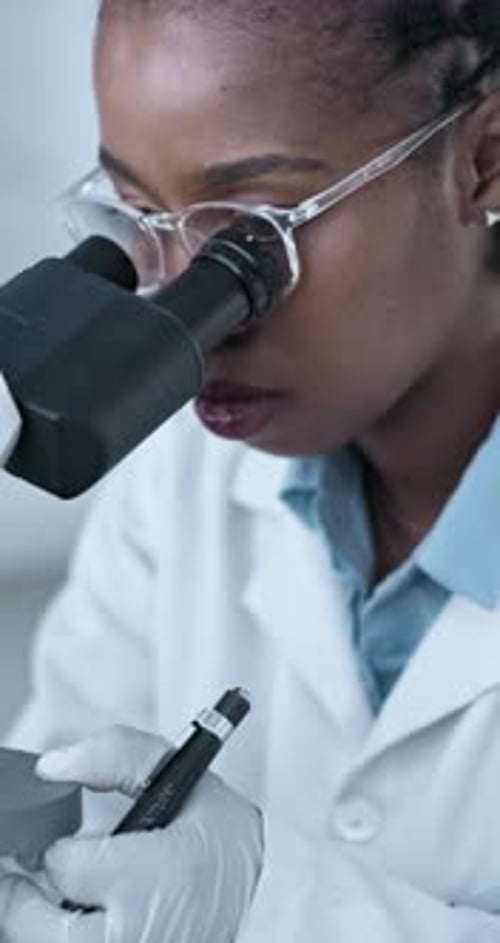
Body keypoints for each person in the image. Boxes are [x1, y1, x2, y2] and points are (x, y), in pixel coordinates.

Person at [1, 0, 500, 939]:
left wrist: (269, 903)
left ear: (483, 159)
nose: (186, 307)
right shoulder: (183, 481)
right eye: (138, 219)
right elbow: (57, 799)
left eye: (251, 239)